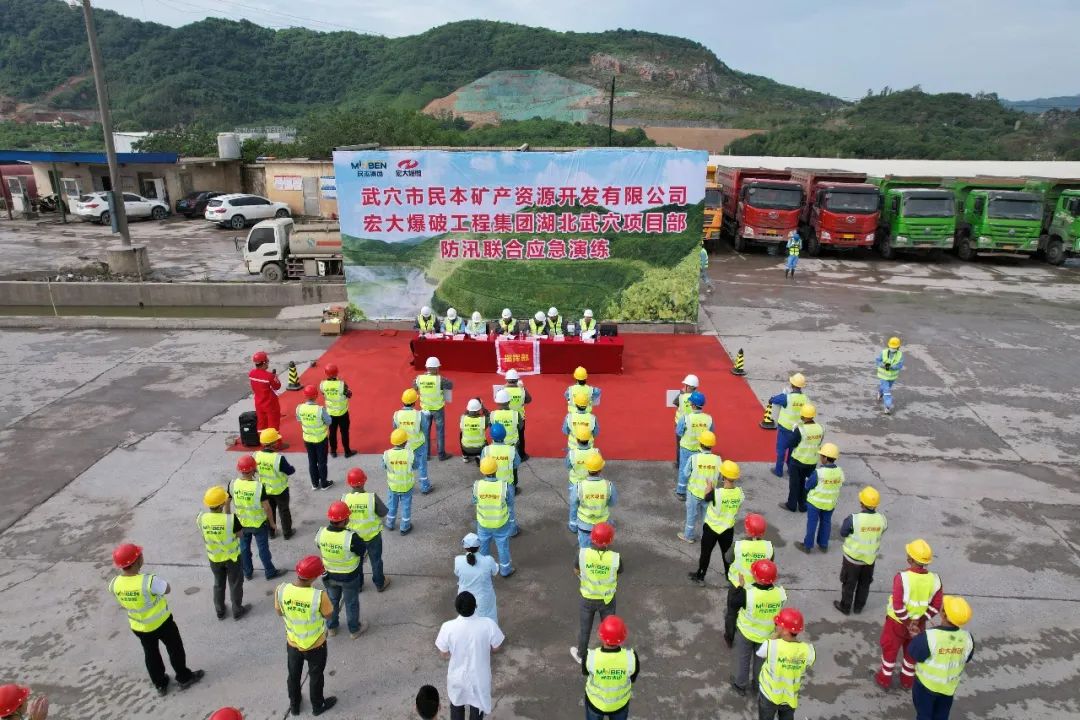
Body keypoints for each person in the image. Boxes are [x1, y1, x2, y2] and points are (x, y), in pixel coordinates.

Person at [108, 544, 205, 696]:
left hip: (139, 627)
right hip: (162, 623)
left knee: (150, 654)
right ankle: (184, 677)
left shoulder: (114, 583)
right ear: (137, 561)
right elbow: (167, 589)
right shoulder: (148, 581)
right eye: (140, 555)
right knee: (175, 649)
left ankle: (160, 684)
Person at [875, 539, 944, 691]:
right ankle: (907, 681)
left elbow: (898, 606)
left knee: (890, 649)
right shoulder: (935, 580)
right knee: (911, 653)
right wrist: (919, 620)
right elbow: (936, 606)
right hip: (919, 624)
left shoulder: (902, 578)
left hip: (896, 623)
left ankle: (884, 678)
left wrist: (908, 623)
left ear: (910, 559)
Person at [275, 555, 337, 717]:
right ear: (315, 576)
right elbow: (329, 614)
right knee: (316, 676)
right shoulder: (318, 596)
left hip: (293, 643)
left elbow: (279, 611)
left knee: (293, 676)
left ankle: (294, 706)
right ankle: (318, 705)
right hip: (316, 645)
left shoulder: (281, 590)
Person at [435, 591, 505, 720]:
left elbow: (443, 653)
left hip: (457, 677)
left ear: (457, 608)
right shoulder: (488, 624)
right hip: (479, 677)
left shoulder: (447, 627)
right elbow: (497, 647)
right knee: (477, 709)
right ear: (475, 606)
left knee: (456, 705)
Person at [910, 596, 974, 720]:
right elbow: (967, 657)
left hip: (925, 686)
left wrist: (918, 638)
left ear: (943, 614)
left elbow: (915, 653)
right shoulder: (968, 638)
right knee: (941, 716)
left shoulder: (929, 636)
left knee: (924, 715)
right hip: (948, 689)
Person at [730, 559, 786, 697]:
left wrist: (740, 586)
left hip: (746, 633)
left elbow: (733, 603)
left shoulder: (747, 594)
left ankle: (740, 685)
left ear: (756, 577)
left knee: (743, 660)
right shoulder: (780, 593)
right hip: (766, 636)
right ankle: (758, 686)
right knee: (760, 664)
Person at [572, 522, 622, 665]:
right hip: (607, 600)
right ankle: (609, 656)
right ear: (610, 540)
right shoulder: (615, 558)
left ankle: (581, 654)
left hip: (587, 599)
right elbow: (617, 574)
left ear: (592, 538)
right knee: (609, 630)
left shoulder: (582, 554)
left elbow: (576, 571)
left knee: (585, 629)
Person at [197, 485, 250, 621]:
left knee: (218, 584)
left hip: (214, 558)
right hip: (232, 558)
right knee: (235, 583)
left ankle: (220, 611)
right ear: (222, 504)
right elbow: (240, 535)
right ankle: (237, 610)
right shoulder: (231, 519)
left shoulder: (201, 518)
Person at [316, 501, 367, 639]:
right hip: (349, 577)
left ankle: (332, 628)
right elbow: (362, 551)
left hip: (330, 576)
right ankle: (354, 630)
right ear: (344, 520)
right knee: (351, 603)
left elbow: (320, 547)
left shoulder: (321, 533)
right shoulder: (351, 537)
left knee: (332, 601)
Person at [688, 459, 743, 585]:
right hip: (728, 529)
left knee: (706, 553)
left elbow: (706, 497)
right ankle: (729, 577)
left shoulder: (716, 493)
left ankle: (700, 576)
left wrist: (709, 487)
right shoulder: (740, 493)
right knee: (727, 555)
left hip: (711, 528)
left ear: (723, 476)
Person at [835, 486, 887, 615]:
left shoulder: (853, 519)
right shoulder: (882, 519)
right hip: (869, 560)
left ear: (861, 503)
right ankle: (859, 607)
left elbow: (843, 533)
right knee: (864, 585)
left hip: (852, 560)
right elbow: (882, 531)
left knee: (849, 584)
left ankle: (845, 607)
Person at [723, 514, 774, 646]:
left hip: (737, 585)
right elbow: (770, 565)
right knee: (753, 611)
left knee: (732, 612)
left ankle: (729, 637)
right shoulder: (768, 547)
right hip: (757, 588)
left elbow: (728, 559)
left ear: (747, 530)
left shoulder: (738, 546)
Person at [230, 456, 283, 581]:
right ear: (253, 469)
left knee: (244, 549)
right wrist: (272, 523)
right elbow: (267, 507)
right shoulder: (258, 487)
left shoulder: (233, 484)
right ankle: (270, 572)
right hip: (258, 525)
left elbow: (227, 502)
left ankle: (247, 572)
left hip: (242, 524)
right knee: (263, 549)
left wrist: (230, 520)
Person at [757, 608, 815, 720]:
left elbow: (760, 653)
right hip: (790, 698)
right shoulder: (807, 650)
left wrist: (775, 636)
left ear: (785, 630)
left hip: (769, 696)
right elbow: (809, 661)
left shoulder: (771, 645)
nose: (775, 626)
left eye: (777, 624)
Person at [342, 468, 391, 592]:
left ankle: (358, 585)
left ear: (349, 483)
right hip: (372, 536)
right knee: (376, 561)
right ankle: (380, 583)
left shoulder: (345, 499)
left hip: (354, 538)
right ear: (364, 481)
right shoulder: (371, 497)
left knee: (357, 562)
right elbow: (383, 512)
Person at [581, 615, 638, 720]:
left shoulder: (590, 657)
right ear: (622, 638)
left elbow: (585, 672)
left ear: (601, 635)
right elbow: (632, 678)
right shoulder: (631, 657)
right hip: (619, 705)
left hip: (595, 704)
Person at [797, 442, 844, 553]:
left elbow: (808, 485)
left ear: (826, 458)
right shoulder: (840, 472)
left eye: (821, 456)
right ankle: (823, 544)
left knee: (812, 524)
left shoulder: (819, 473)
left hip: (815, 503)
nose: (820, 457)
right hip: (830, 504)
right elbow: (839, 484)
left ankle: (807, 546)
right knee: (826, 522)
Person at [473, 457, 514, 577]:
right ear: (496, 470)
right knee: (503, 547)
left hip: (483, 523)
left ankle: (484, 571)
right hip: (501, 523)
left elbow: (475, 501)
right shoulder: (503, 486)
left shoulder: (477, 485)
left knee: (483, 547)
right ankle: (505, 570)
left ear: (482, 471)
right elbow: (510, 502)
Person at [779, 404, 823, 513]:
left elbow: (791, 443)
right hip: (812, 462)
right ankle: (803, 505)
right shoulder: (820, 428)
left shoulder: (800, 429)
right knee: (804, 483)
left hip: (798, 461)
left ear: (802, 416)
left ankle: (791, 505)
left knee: (794, 484)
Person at [679, 430, 721, 543]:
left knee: (691, 516)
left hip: (694, 492)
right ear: (712, 444)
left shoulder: (694, 458)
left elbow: (686, 473)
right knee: (706, 517)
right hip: (709, 493)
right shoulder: (718, 460)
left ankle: (689, 536)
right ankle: (705, 538)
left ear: (700, 443)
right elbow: (720, 477)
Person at [255, 427, 296, 540]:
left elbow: (255, 470)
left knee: (269, 510)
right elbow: (289, 471)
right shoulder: (278, 458)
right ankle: (287, 532)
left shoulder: (256, 455)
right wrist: (292, 468)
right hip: (280, 490)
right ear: (273, 443)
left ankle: (271, 532)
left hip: (264, 489)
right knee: (284, 511)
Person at [571, 453, 616, 550]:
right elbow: (612, 503)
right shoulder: (609, 485)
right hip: (603, 527)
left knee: (584, 550)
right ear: (600, 469)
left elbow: (574, 505)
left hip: (584, 525)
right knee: (602, 550)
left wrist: (573, 522)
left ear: (587, 469)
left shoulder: (579, 486)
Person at [480, 424, 520, 532]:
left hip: (491, 485)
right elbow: (517, 463)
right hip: (508, 484)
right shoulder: (511, 450)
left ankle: (494, 526)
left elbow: (483, 465)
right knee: (510, 508)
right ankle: (512, 530)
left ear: (491, 436)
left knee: (493, 507)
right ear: (505, 435)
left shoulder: (486, 450)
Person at [768, 373, 809, 479]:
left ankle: (778, 471)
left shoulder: (787, 398)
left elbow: (774, 399)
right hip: (797, 430)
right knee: (792, 451)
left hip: (784, 430)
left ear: (792, 384)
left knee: (781, 450)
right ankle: (790, 470)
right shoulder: (805, 399)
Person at [675, 391, 713, 500]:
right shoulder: (708, 419)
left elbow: (679, 432)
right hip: (701, 449)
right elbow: (711, 433)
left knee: (684, 469)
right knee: (698, 470)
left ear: (692, 405)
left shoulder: (686, 418)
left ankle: (681, 491)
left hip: (686, 448)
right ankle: (699, 489)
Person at [455, 532, 500, 624]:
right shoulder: (488, 560)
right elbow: (495, 572)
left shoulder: (458, 560)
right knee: (489, 619)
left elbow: (457, 573)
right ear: (479, 546)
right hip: (484, 598)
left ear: (464, 547)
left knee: (467, 621)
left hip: (465, 599)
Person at [415, 356, 453, 461]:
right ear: (436, 368)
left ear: (426, 367)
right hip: (438, 409)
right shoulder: (440, 379)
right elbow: (450, 385)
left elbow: (414, 387)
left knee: (425, 432)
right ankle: (441, 454)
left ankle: (426, 455)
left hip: (424, 409)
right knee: (440, 431)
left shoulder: (419, 379)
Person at [384, 429, 419, 535]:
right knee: (406, 507)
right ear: (405, 442)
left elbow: (384, 466)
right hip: (406, 486)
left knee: (391, 506)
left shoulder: (386, 454)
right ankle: (405, 527)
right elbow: (416, 466)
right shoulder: (410, 454)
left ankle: (390, 523)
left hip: (393, 486)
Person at [296, 385, 332, 490]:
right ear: (316, 396)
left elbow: (299, 420)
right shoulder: (320, 410)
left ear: (305, 396)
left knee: (312, 462)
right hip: (320, 439)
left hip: (307, 439)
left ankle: (315, 484)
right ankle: (324, 483)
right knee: (322, 462)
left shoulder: (299, 408)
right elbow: (329, 421)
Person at [566, 428, 602, 534]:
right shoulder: (596, 452)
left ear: (577, 439)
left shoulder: (572, 454)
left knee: (574, 503)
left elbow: (568, 465)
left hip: (575, 482)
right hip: (591, 484)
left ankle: (573, 525)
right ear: (590, 438)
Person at [395, 388, 431, 493]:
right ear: (415, 402)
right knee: (422, 466)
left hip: (404, 445)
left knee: (406, 465)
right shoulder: (419, 415)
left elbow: (395, 429)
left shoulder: (397, 414)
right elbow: (425, 428)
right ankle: (424, 487)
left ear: (403, 401)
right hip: (419, 444)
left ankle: (406, 485)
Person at [319, 364, 356, 459]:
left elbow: (323, 393)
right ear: (337, 373)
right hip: (342, 413)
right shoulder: (341, 384)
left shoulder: (322, 384)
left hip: (330, 413)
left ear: (326, 373)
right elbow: (349, 394)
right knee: (344, 433)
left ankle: (333, 451)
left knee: (332, 433)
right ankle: (347, 452)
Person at [670, 374, 699, 468]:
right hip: (693, 424)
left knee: (680, 445)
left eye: (685, 385)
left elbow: (674, 402)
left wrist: (682, 392)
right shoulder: (698, 397)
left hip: (680, 423)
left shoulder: (682, 396)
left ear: (689, 387)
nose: (683, 387)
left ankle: (679, 464)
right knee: (693, 444)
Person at [502, 369, 531, 461]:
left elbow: (498, 400)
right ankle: (522, 455)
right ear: (517, 380)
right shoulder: (522, 390)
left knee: (506, 435)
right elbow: (528, 400)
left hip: (505, 417)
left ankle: (506, 454)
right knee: (521, 436)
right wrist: (523, 388)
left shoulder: (503, 390)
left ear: (506, 380)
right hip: (520, 418)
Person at [249, 350, 282, 432]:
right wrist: (275, 377)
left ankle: (263, 441)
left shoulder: (251, 373)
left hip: (259, 403)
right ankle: (276, 443)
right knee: (274, 424)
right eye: (267, 361)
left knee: (262, 424)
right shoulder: (269, 376)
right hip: (270, 404)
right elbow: (277, 386)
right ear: (264, 363)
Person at [877, 336, 905, 415]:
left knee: (886, 387)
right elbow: (878, 360)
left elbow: (900, 365)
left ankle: (879, 392)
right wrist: (882, 365)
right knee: (887, 391)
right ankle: (887, 406)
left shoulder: (900, 355)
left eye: (894, 347)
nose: (892, 349)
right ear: (888, 346)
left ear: (898, 347)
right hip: (883, 376)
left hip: (892, 377)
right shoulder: (884, 352)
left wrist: (892, 367)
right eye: (891, 347)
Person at [459, 398, 489, 465]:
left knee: (461, 433)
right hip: (480, 448)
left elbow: (465, 413)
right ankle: (479, 456)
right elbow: (489, 415)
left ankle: (465, 456)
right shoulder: (483, 420)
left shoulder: (462, 418)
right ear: (479, 410)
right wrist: (483, 407)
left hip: (466, 448)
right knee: (484, 439)